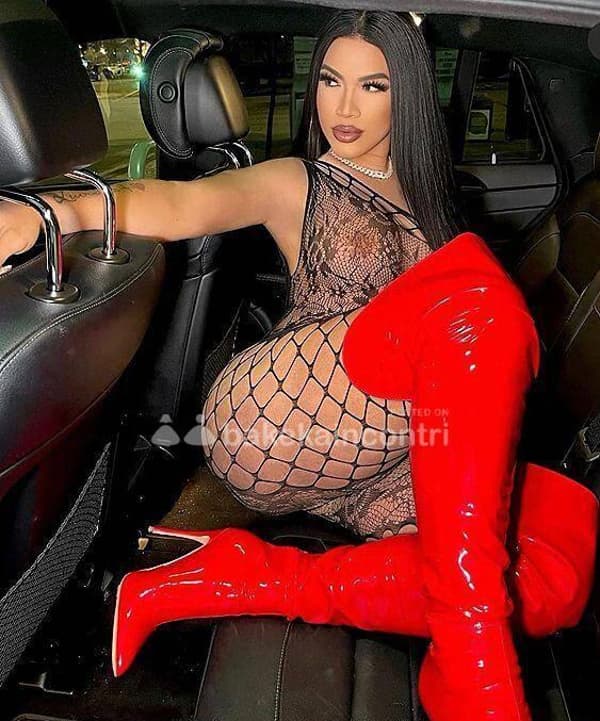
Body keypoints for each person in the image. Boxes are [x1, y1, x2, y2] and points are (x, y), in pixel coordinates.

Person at [0, 10, 597, 721]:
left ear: (408, 95)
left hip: (380, 462)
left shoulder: (436, 203)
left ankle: (239, 576)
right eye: (331, 81)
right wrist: (51, 216)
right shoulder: (297, 181)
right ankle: (476, 688)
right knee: (477, 301)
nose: (344, 107)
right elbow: (182, 202)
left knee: (557, 572)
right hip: (275, 417)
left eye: (372, 86)